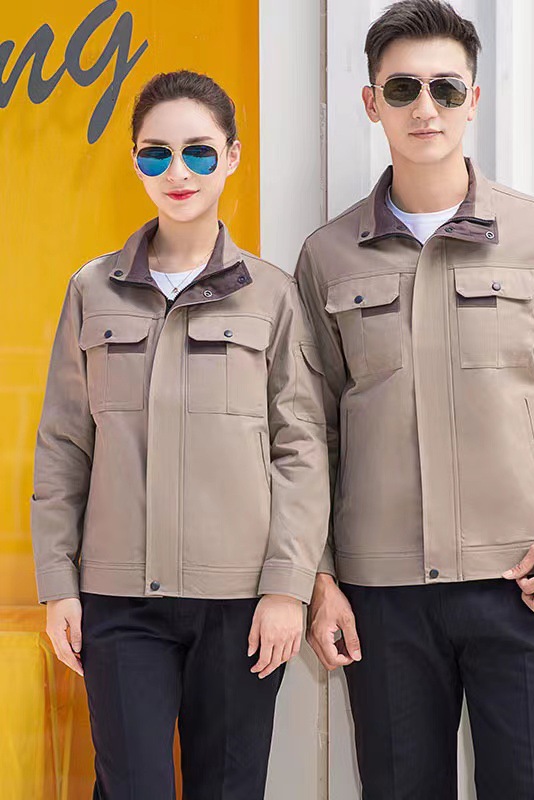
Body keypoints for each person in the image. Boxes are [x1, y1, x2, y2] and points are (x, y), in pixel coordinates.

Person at [298, 2, 534, 798]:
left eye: (446, 89)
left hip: (521, 586)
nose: (426, 108)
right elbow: (307, 432)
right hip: (382, 597)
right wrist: (318, 576)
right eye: (403, 88)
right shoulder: (327, 257)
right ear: (371, 102)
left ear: (473, 100)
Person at [30, 70, 329, 799]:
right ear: (135, 162)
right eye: (156, 153)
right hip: (119, 603)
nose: (178, 172)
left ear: (231, 157)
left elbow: (300, 450)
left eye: (198, 151)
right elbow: (64, 447)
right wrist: (59, 586)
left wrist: (287, 588)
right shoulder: (91, 290)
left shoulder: (272, 295)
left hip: (240, 605)